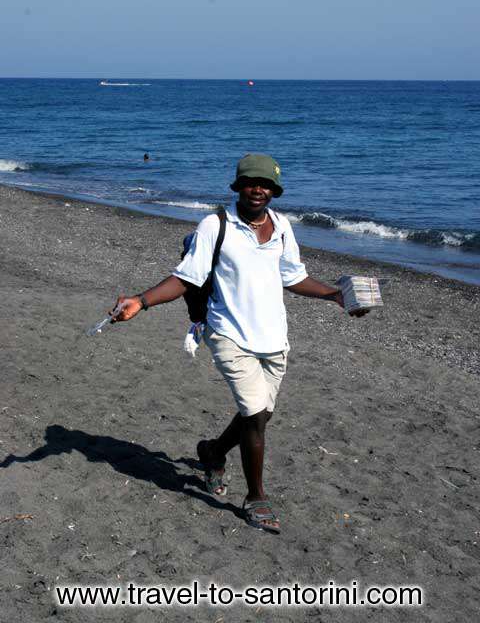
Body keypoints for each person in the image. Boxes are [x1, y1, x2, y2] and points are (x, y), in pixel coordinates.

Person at [111, 153, 367, 534]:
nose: (258, 189)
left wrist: (335, 296)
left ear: (275, 190)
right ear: (238, 185)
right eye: (251, 182)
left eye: (266, 184)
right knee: (253, 415)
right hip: (228, 334)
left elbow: (293, 277)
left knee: (261, 414)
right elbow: (186, 278)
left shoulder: (281, 226)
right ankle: (256, 497)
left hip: (273, 336)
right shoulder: (216, 226)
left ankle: (214, 452)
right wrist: (141, 301)